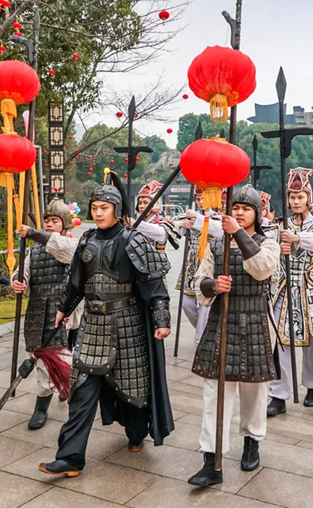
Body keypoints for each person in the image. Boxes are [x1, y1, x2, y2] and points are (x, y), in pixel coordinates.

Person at [39, 174, 174, 477]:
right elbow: (76, 281)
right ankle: (70, 458)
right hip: (92, 326)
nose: (98, 212)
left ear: (116, 208)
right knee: (82, 392)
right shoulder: (86, 239)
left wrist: (162, 320)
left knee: (134, 391)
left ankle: (137, 435)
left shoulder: (134, 240)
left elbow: (155, 285)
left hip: (127, 326)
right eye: (95, 207)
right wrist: (63, 308)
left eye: (104, 207)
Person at [188, 185, 280, 487]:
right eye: (236, 208)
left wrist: (237, 233)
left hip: (254, 320)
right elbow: (198, 280)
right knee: (214, 391)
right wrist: (214, 285)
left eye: (246, 208)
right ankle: (211, 460)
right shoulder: (217, 245)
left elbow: (262, 269)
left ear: (257, 213)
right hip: (222, 320)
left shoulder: (269, 243)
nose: (240, 212)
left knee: (253, 392)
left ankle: (252, 441)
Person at [268, 168, 313, 413]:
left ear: (309, 197)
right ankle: (279, 393)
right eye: (292, 197)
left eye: (300, 197)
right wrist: (279, 249)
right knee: (280, 341)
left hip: (311, 288)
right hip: (285, 288)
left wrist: (297, 239)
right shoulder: (279, 225)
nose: (296, 202)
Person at [11, 199, 79, 430]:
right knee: (43, 358)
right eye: (47, 221)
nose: (49, 224)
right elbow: (23, 271)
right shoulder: (34, 250)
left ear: (65, 225)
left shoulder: (73, 246)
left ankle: (55, 395)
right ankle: (52, 397)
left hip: (65, 311)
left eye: (55, 221)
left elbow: (58, 247)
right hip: (38, 308)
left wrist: (33, 233)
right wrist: (18, 282)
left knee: (57, 359)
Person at [174, 186, 224, 345]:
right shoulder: (189, 216)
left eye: (203, 198)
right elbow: (172, 229)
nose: (201, 202)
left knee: (205, 305)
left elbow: (219, 231)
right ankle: (207, 332)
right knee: (186, 303)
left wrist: (196, 219)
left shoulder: (218, 217)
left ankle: (201, 340)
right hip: (191, 266)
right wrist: (182, 223)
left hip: (209, 266)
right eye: (198, 198)